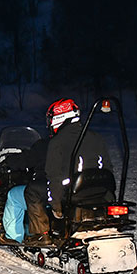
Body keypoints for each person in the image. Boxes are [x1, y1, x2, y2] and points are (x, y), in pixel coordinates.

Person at [24, 98, 112, 246]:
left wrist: (57, 208)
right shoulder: (97, 137)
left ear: (58, 118)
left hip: (73, 192)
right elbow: (108, 167)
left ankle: (41, 235)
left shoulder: (57, 142)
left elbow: (54, 177)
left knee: (32, 192)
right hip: (100, 192)